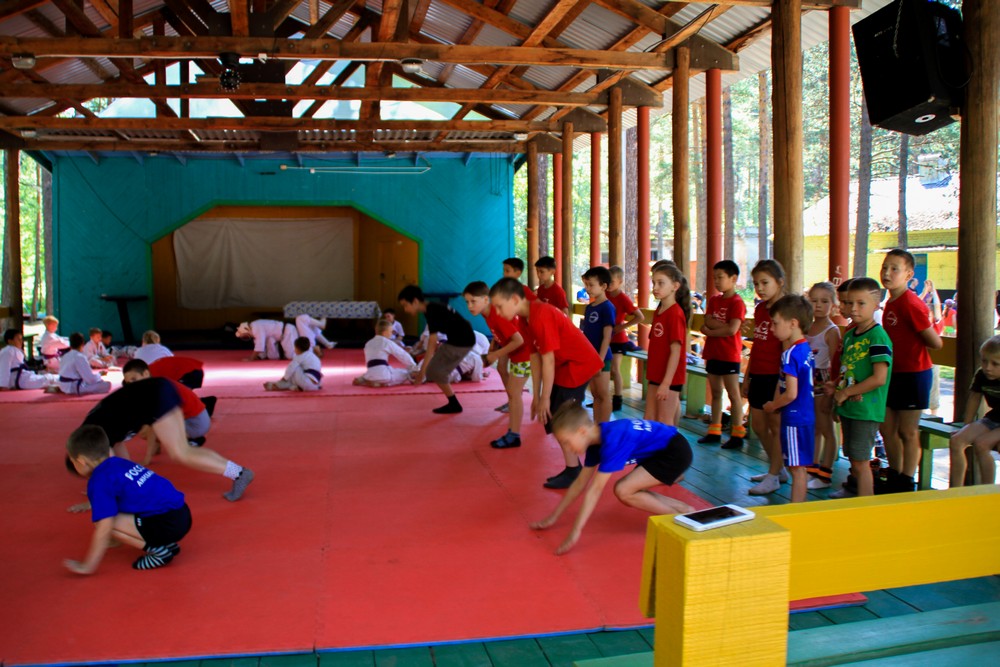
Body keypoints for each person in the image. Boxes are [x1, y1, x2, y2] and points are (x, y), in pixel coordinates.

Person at [529, 401, 694, 555]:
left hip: (674, 453)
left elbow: (595, 491)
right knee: (629, 489)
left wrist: (575, 532)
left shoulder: (613, 440)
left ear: (582, 431)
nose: (566, 448)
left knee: (624, 490)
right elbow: (579, 484)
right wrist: (553, 517)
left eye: (566, 442)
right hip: (664, 450)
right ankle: (684, 510)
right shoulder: (596, 440)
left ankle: (681, 518)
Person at [490, 278, 602, 488]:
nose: (497, 312)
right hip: (563, 366)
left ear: (514, 300)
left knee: (561, 416)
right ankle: (573, 468)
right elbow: (535, 356)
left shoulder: (541, 314)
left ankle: (578, 467)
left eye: (499, 306)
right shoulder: (525, 319)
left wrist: (544, 398)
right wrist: (538, 395)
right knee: (552, 416)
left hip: (577, 365)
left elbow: (548, 359)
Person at [80, 376, 254, 501]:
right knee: (184, 450)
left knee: (180, 453)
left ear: (80, 459)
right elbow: (122, 464)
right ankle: (238, 472)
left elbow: (109, 469)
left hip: (155, 396)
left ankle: (240, 474)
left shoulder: (92, 437)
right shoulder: (98, 434)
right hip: (159, 391)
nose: (90, 475)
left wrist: (99, 497)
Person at [64, 425, 192, 573]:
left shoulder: (99, 480)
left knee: (102, 522)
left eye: (73, 461)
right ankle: (166, 542)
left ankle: (158, 551)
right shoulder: (119, 462)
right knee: (127, 507)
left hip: (166, 524)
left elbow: (105, 526)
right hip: (182, 514)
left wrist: (88, 565)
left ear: (81, 460)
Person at [879, 249, 942, 493]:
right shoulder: (891, 302)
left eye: (894, 269)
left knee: (907, 431)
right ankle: (895, 472)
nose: (887, 273)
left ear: (908, 274)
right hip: (892, 374)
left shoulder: (911, 304)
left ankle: (906, 479)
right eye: (885, 267)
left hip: (914, 375)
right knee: (887, 428)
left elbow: (936, 343)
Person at [832, 278, 893, 498]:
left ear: (876, 305)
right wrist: (837, 391)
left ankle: (867, 505)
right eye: (850, 303)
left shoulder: (877, 336)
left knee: (861, 462)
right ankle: (858, 497)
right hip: (850, 407)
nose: (854, 309)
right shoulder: (850, 335)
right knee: (854, 459)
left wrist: (846, 392)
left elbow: (879, 378)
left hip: (866, 410)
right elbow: (848, 371)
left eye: (861, 303)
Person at [464, 281, 535, 448]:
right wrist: (494, 345)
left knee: (515, 395)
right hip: (513, 349)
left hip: (524, 354)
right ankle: (512, 410)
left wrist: (495, 354)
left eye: (473, 301)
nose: (469, 306)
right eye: (467, 302)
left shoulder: (497, 315)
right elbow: (500, 332)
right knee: (504, 374)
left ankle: (514, 435)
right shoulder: (486, 313)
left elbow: (518, 340)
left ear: (486, 299)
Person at [742, 260, 788, 495]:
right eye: (756, 283)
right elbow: (758, 345)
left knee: (775, 427)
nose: (760, 288)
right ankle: (778, 469)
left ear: (780, 282)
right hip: (758, 373)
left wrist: (781, 383)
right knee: (758, 426)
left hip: (775, 377)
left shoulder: (786, 311)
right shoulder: (760, 309)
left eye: (765, 283)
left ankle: (773, 474)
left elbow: (788, 350)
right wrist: (747, 376)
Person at [763, 295, 815, 503]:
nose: (772, 329)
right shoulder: (805, 349)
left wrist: (772, 405)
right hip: (806, 415)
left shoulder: (790, 354)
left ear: (793, 323)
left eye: (775, 323)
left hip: (795, 417)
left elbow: (791, 393)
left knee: (796, 469)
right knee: (799, 467)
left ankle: (796, 509)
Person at [399, 286, 476, 414]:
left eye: (405, 305)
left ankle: (454, 403)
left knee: (434, 372)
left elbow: (432, 344)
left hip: (462, 341)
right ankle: (454, 403)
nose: (405, 309)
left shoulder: (432, 310)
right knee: (434, 372)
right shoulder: (430, 308)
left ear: (415, 301)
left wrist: (422, 372)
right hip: (458, 339)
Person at [122, 359, 215, 464]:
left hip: (197, 423)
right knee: (149, 424)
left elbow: (154, 425)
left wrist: (148, 458)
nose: (132, 385)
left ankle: (191, 440)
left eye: (134, 379)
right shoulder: (154, 384)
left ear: (146, 373)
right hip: (196, 417)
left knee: (147, 429)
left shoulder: (156, 389)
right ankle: (180, 441)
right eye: (129, 382)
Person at [698, 260, 747, 448]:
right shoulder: (714, 300)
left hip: (729, 354)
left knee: (733, 394)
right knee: (716, 392)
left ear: (733, 279)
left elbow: (732, 330)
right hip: (713, 352)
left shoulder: (737, 302)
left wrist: (711, 331)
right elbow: (708, 321)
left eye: (720, 277)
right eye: (715, 278)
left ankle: (737, 433)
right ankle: (715, 430)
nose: (717, 281)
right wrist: (723, 327)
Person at [949, 335, 1000, 487]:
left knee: (981, 444)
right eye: (984, 361)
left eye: (995, 364)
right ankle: (956, 490)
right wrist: (967, 425)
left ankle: (986, 489)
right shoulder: (981, 375)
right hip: (994, 417)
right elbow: (974, 398)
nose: (987, 367)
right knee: (956, 441)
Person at [805, 282, 841, 489]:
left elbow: (836, 363)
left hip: (822, 381)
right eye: (814, 300)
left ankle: (826, 473)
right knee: (814, 426)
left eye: (824, 301)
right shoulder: (806, 327)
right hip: (807, 381)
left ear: (833, 305)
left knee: (827, 427)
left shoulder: (831, 331)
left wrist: (832, 389)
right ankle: (812, 467)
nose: (818, 305)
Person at [646, 261, 690, 426]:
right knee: (649, 419)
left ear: (675, 286)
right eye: (654, 283)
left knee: (664, 421)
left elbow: (676, 352)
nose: (655, 287)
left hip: (669, 377)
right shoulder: (659, 310)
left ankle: (672, 444)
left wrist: (666, 383)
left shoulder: (675, 314)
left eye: (661, 283)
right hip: (656, 374)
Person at [580, 266, 615, 425]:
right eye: (586, 285)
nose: (588, 289)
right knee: (595, 394)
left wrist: (599, 360)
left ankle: (605, 427)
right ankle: (597, 425)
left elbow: (607, 337)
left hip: (602, 357)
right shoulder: (589, 308)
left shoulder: (607, 307)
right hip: (590, 357)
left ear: (603, 286)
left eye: (591, 285)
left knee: (603, 394)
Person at [608, 265, 646, 413]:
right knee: (603, 369)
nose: (609, 284)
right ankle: (602, 398)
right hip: (605, 338)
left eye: (612, 281)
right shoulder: (604, 295)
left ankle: (617, 399)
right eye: (607, 281)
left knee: (614, 369)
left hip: (618, 339)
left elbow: (640, 317)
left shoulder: (623, 298)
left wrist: (622, 326)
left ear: (620, 281)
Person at [354, 318, 418, 387]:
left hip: (370, 373)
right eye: (390, 331)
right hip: (384, 375)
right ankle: (382, 383)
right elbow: (403, 355)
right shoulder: (387, 342)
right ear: (384, 333)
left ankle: (366, 378)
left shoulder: (368, 343)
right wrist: (415, 367)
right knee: (407, 373)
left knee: (381, 371)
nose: (391, 334)